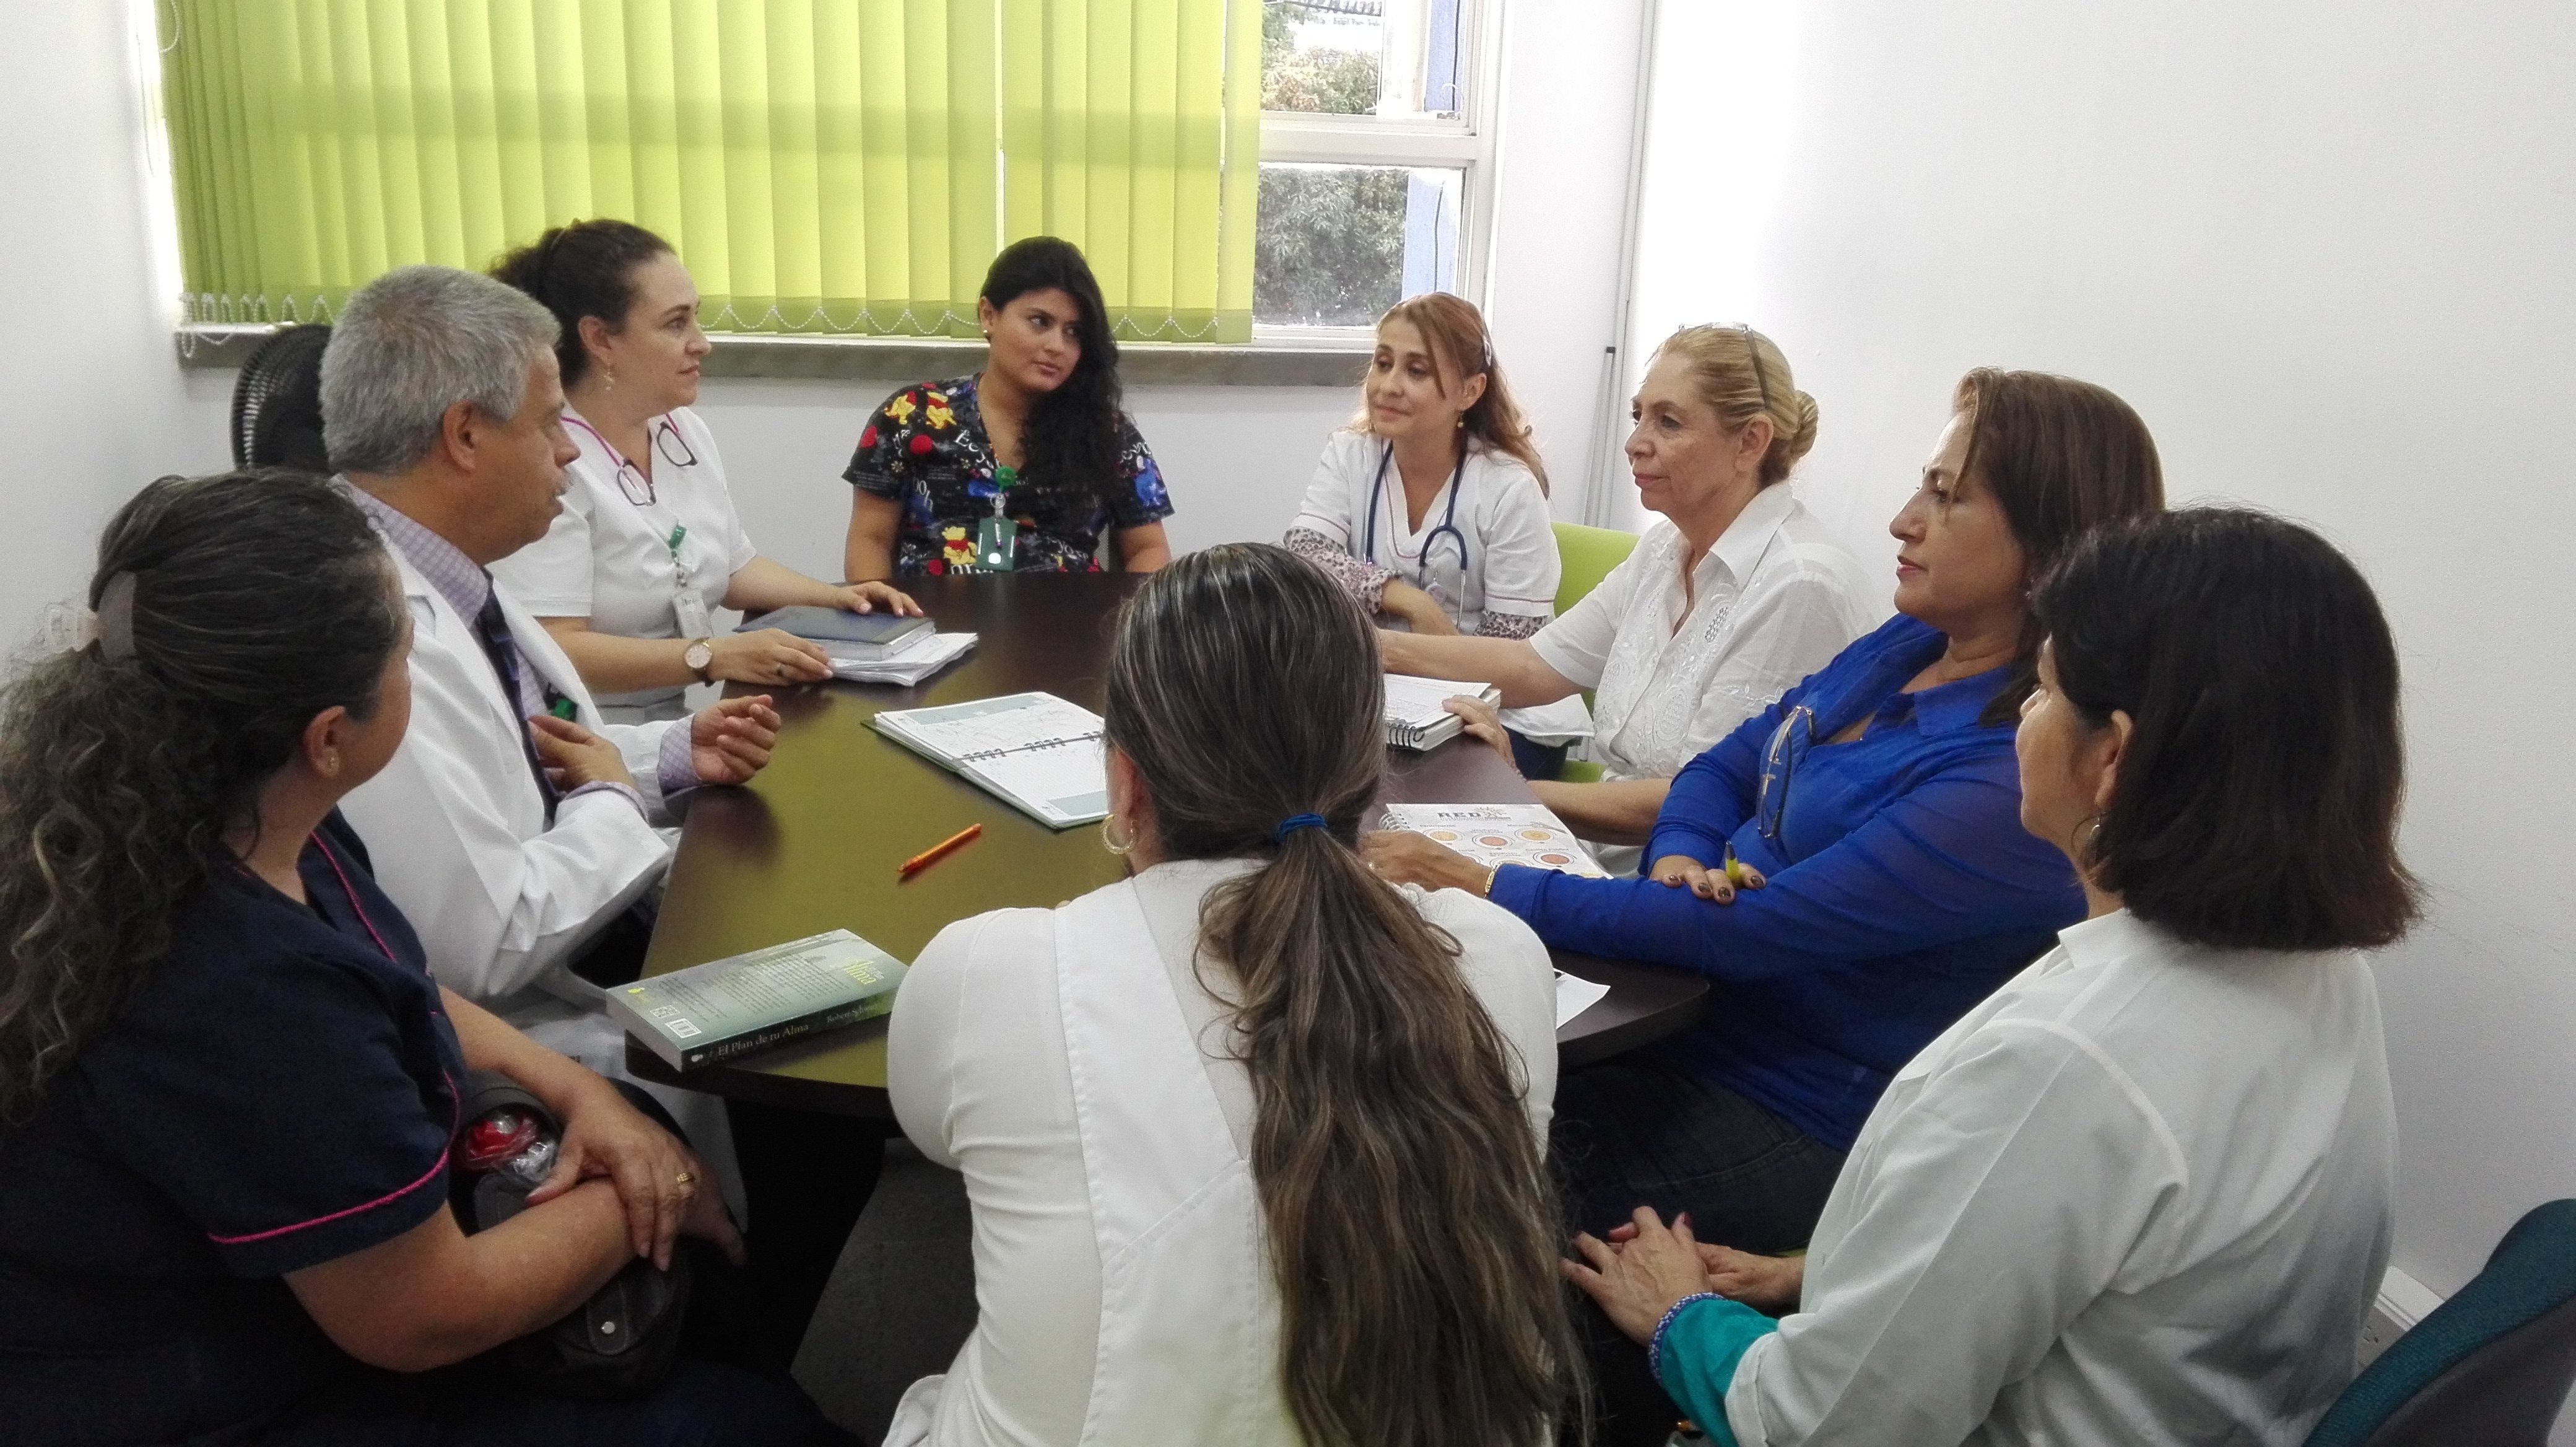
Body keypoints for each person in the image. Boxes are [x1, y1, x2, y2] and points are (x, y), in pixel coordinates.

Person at [0, 473, 848, 1446]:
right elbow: (425, 1315)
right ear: (329, 738)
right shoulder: (247, 991)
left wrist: (584, 1095)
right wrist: (658, 1187)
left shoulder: (233, 822)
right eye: (408, 652)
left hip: (295, 1293)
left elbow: (409, 988)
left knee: (696, 1333)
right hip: (227, 1390)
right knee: (743, 1420)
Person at [1567, 509, 2413, 1446]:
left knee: (1549, 1298)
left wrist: (1682, 1315)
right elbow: (2113, 1255)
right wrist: (1822, 1272)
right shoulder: (2321, 975)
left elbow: (1818, 1426)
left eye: (2039, 695)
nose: (2017, 724)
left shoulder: (2066, 1060)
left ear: (2112, 757)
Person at [1369, 367, 2167, 1257]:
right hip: (1694, 1014)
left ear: (2050, 543)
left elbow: (1756, 930)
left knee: (1437, 1173)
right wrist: (1679, 852)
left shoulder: (2004, 771)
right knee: (1418, 1081)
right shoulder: (1914, 641)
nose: (1904, 520)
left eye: (1946, 499)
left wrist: (1481, 879)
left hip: (1794, 1106)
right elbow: (1728, 762)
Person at [883, 544, 1573, 1447]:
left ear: (1126, 783)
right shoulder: (1498, 957)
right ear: (1368, 769)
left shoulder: (992, 972)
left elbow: (932, 1135)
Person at [320, 265, 871, 1362]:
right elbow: (487, 938)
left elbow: (537, 751)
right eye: (547, 422)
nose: (570, 453)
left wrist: (670, 751)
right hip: (512, 1019)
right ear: (465, 435)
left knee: (819, 965)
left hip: (578, 929)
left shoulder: (450, 570)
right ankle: (748, 1337)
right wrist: (622, 803)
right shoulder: (376, 629)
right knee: (813, 1075)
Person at [1378, 326, 1873, 872]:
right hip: (1602, 853)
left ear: (1751, 442)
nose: (1635, 442)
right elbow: (1534, 665)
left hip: (1690, 881)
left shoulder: (1799, 586)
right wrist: (1374, 648)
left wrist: (1512, 794)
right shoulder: (1667, 548)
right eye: (1638, 415)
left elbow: (1702, 798)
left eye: (1669, 421)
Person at [490, 219, 919, 724]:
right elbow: (555, 647)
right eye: (675, 324)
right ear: (601, 340)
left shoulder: (682, 431)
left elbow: (733, 568)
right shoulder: (549, 460)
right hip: (578, 734)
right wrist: (713, 655)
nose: (702, 343)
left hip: (673, 723)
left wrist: (838, 597)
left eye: (696, 318)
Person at [1282, 292, 1590, 778]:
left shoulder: (1508, 488)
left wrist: (1417, 661)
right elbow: (1307, 554)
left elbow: (1514, 649)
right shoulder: (1351, 455)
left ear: (1470, 392)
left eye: (1416, 371)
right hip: (1390, 700)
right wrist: (1405, 599)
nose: (1388, 385)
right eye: (1382, 363)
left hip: (1501, 715)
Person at [843, 236, 1175, 579]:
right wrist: (886, 622)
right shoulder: (912, 414)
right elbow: (871, 540)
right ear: (989, 315)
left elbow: (1147, 548)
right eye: (1039, 322)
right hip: (936, 621)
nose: (1057, 346)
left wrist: (1124, 625)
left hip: (1070, 619)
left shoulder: (1107, 430)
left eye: (1074, 332)